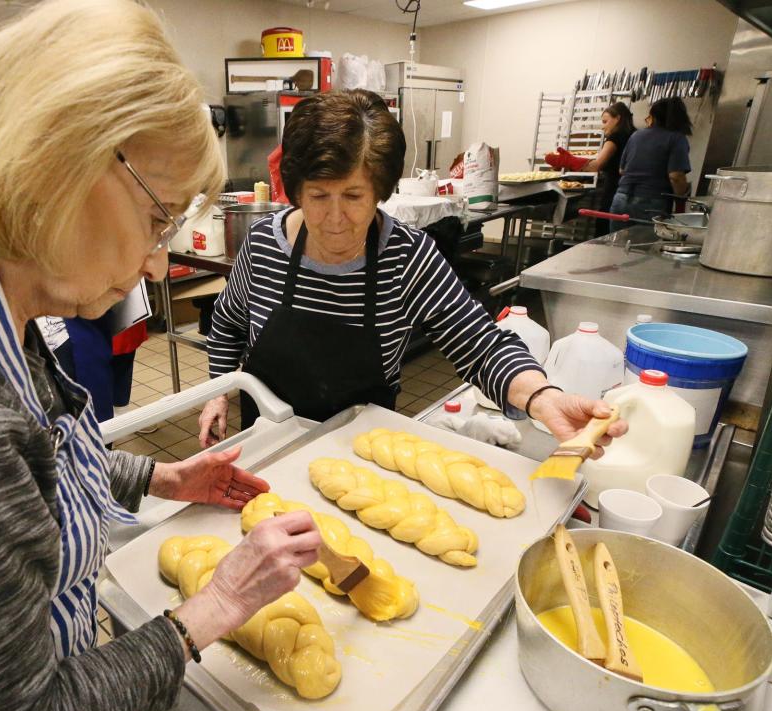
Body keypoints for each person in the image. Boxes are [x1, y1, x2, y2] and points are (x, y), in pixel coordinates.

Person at [0, 2, 323, 711]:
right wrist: (216, 608)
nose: (159, 263)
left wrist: (155, 478)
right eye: (158, 220)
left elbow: (25, 468)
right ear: (56, 164)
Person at [198, 89, 628, 453]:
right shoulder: (262, 246)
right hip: (266, 445)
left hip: (365, 454)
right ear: (294, 190)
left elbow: (480, 344)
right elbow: (228, 325)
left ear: (381, 192)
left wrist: (541, 396)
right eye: (317, 195)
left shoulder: (406, 255)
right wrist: (217, 390)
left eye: (352, 196)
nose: (333, 218)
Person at [545, 101, 635, 237]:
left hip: (615, 192)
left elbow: (596, 165)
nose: (602, 127)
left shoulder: (615, 138)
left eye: (605, 122)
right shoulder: (636, 135)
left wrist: (568, 161)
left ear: (618, 119)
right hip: (634, 192)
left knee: (604, 232)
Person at [609, 96, 692, 231]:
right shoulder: (677, 138)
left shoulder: (636, 135)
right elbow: (676, 176)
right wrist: (683, 197)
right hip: (651, 203)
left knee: (617, 247)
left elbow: (622, 170)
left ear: (654, 116)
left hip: (621, 199)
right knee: (644, 248)